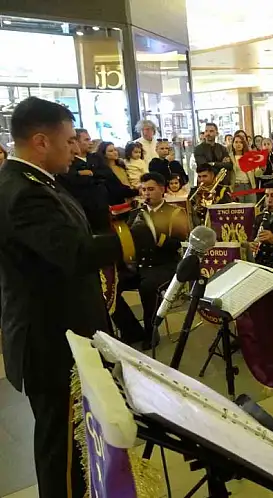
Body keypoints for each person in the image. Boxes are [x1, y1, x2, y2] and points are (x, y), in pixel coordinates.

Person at [0, 96, 165, 498]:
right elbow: (73, 253)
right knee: (62, 446)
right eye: (69, 140)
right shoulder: (24, 192)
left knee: (72, 441)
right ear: (41, 141)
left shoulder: (37, 182)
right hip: (50, 340)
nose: (76, 148)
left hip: (62, 333)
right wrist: (143, 234)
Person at [113, 172, 188, 349]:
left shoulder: (176, 213)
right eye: (144, 189)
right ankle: (131, 330)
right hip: (139, 266)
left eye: (151, 189)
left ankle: (151, 331)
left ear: (162, 189)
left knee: (148, 287)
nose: (146, 193)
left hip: (164, 264)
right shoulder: (135, 213)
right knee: (109, 286)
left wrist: (155, 236)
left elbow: (179, 243)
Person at [58, 129, 110, 233]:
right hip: (82, 208)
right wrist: (80, 175)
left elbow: (107, 174)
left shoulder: (96, 157)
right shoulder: (68, 161)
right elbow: (72, 179)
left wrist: (91, 173)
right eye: (86, 140)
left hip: (101, 206)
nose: (90, 143)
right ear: (76, 142)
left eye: (90, 139)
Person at [97, 141, 138, 205]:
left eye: (115, 150)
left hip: (133, 197)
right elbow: (117, 189)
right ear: (104, 154)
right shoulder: (105, 171)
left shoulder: (122, 165)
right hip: (120, 201)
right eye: (111, 151)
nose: (115, 152)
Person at [229, 134, 258, 203]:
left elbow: (257, 173)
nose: (238, 144)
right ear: (232, 144)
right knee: (239, 210)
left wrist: (262, 169)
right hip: (236, 186)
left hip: (249, 186)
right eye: (236, 142)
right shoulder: (229, 157)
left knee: (251, 208)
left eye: (241, 142)